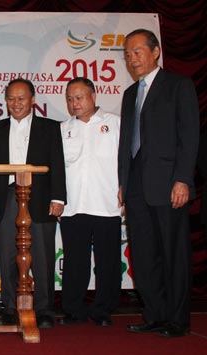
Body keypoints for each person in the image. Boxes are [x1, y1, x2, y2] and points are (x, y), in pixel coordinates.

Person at [118, 29, 199, 338]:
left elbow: (189, 137)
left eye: (137, 51)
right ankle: (154, 314)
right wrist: (123, 182)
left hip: (168, 185)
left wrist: (182, 179)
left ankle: (177, 320)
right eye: (127, 54)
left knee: (173, 253)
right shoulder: (129, 94)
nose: (132, 58)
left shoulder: (178, 86)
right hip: (136, 186)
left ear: (155, 52)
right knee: (142, 253)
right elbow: (128, 143)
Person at [0, 78, 66, 329]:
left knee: (41, 256)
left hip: (40, 198)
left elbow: (58, 164)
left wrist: (58, 197)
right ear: (5, 101)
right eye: (11, 98)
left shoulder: (50, 128)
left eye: (21, 98)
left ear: (32, 100)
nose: (16, 103)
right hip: (7, 197)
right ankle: (10, 308)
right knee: (8, 253)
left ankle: (44, 309)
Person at [58, 77, 121, 327]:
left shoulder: (115, 124)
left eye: (80, 97)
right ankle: (73, 309)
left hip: (107, 204)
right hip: (73, 205)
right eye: (70, 99)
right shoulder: (63, 129)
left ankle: (103, 310)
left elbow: (127, 162)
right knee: (75, 261)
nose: (75, 103)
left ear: (94, 96)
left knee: (108, 262)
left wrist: (125, 190)